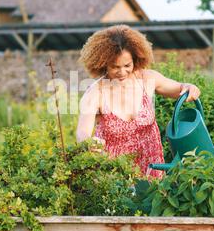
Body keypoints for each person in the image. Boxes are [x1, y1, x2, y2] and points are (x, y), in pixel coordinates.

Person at [76, 25, 200, 179]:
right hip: (114, 173)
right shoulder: (95, 92)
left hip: (150, 166)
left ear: (135, 59)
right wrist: (89, 143)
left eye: (127, 65)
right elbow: (82, 132)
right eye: (115, 67)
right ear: (103, 63)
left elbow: (179, 89)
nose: (122, 72)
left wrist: (189, 87)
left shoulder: (147, 79)